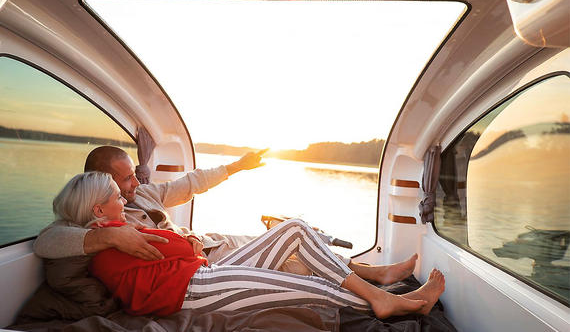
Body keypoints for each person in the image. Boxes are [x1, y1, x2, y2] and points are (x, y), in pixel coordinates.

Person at [52, 172, 446, 318]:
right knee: (312, 289)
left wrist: (184, 242)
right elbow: (182, 250)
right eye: (116, 195)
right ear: (98, 210)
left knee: (293, 228)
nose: (126, 196)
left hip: (203, 273)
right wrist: (184, 241)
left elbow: (182, 248)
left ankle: (376, 285)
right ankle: (382, 299)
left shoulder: (121, 230)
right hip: (191, 291)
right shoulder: (110, 242)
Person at [34, 145, 422, 284]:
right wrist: (110, 236)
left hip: (207, 242)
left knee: (295, 237)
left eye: (134, 175)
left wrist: (238, 166)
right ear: (102, 187)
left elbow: (193, 182)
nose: (133, 185)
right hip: (201, 265)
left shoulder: (146, 194)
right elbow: (47, 240)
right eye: (124, 182)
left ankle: (369, 272)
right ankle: (376, 275)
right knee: (289, 258)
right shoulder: (92, 216)